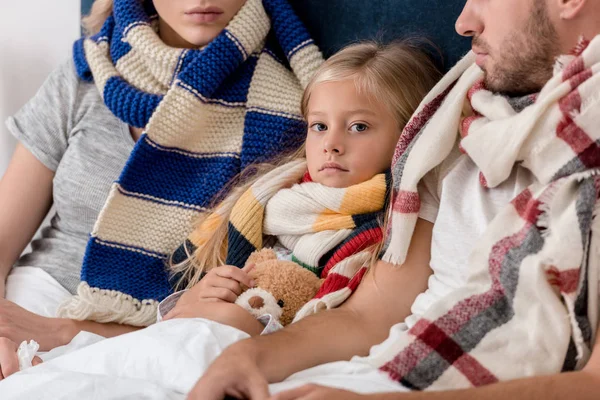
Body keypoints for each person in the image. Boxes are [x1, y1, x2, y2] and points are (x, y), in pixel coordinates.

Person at [183, 0, 600, 399]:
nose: (463, 23)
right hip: (368, 368)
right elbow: (368, 316)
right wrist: (246, 358)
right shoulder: (458, 122)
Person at [0, 40, 441, 380]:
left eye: (359, 126)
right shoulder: (274, 196)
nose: (332, 143)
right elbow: (211, 276)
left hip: (265, 333)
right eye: (319, 126)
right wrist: (210, 292)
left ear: (407, 135)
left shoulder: (391, 221)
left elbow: (352, 314)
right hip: (190, 316)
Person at [0, 0, 321, 352]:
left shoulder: (287, 111)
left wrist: (66, 332)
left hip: (166, 331)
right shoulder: (88, 71)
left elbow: (244, 304)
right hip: (36, 296)